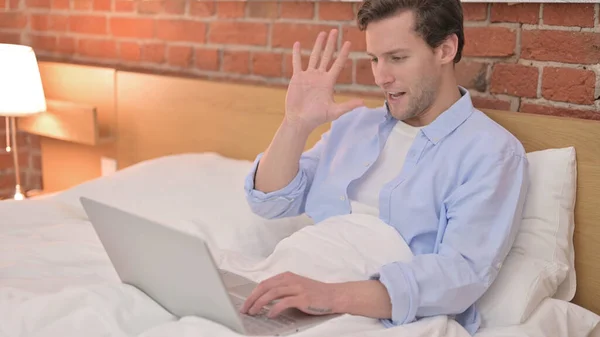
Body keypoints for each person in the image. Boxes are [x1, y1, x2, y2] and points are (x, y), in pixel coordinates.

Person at [239, 0, 529, 335]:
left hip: (372, 312)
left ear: (445, 49)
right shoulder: (355, 125)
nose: (381, 76)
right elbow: (270, 201)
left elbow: (460, 274)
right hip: (291, 286)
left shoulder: (491, 152)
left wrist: (329, 296)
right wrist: (295, 125)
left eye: (397, 58)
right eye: (375, 59)